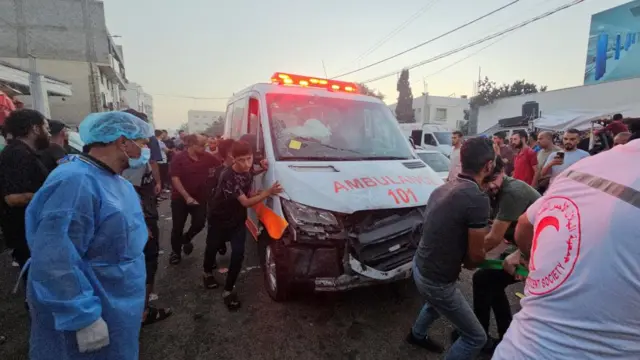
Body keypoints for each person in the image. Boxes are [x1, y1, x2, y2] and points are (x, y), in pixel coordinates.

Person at [494, 133, 640, 359]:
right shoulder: (556, 158)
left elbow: (524, 223)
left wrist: (528, 255)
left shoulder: (587, 163)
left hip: (518, 349)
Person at [25, 111, 153, 360]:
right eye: (143, 142)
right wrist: (83, 316)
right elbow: (55, 257)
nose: (146, 150)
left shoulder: (118, 182)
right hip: (92, 302)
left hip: (118, 300)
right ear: (122, 141)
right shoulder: (75, 181)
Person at [407, 137, 498, 359]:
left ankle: (416, 335)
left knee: (434, 304)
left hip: (419, 266)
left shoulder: (443, 187)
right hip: (436, 280)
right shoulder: (477, 198)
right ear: (488, 166)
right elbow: (474, 258)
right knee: (476, 337)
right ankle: (417, 334)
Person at [470, 157, 539, 353]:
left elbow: (493, 238)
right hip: (526, 246)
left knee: (482, 279)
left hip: (541, 249)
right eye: (485, 180)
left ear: (504, 173)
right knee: (489, 282)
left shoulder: (512, 192)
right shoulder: (494, 192)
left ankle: (480, 337)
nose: (490, 185)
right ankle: (496, 335)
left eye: (494, 178)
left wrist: (466, 255)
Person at [207, 140, 282, 310]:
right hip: (219, 218)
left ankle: (228, 289)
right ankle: (206, 272)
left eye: (249, 158)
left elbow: (253, 174)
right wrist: (268, 192)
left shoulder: (248, 170)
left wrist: (263, 166)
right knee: (212, 247)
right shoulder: (227, 176)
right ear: (233, 159)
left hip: (237, 220)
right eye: (241, 160)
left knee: (238, 253)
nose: (247, 163)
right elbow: (246, 202)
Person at [121, 112, 172, 327]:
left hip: (146, 217)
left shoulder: (138, 159)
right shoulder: (130, 163)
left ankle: (138, 309)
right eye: (141, 139)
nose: (144, 145)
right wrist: (142, 225)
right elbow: (129, 195)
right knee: (146, 264)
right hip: (142, 221)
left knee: (144, 264)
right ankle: (141, 313)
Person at [0, 109, 51, 269]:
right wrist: (54, 195)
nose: (49, 133)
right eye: (46, 128)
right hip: (25, 234)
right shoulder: (17, 154)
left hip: (32, 232)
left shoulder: (26, 153)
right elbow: (13, 198)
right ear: (35, 129)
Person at [169, 133, 221, 264]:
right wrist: (187, 197)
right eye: (202, 145)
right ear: (191, 145)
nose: (205, 148)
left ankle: (186, 239)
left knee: (199, 223)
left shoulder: (207, 157)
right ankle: (175, 252)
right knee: (177, 226)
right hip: (180, 198)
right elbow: (175, 178)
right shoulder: (179, 158)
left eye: (206, 145)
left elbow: (221, 164)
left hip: (200, 197)